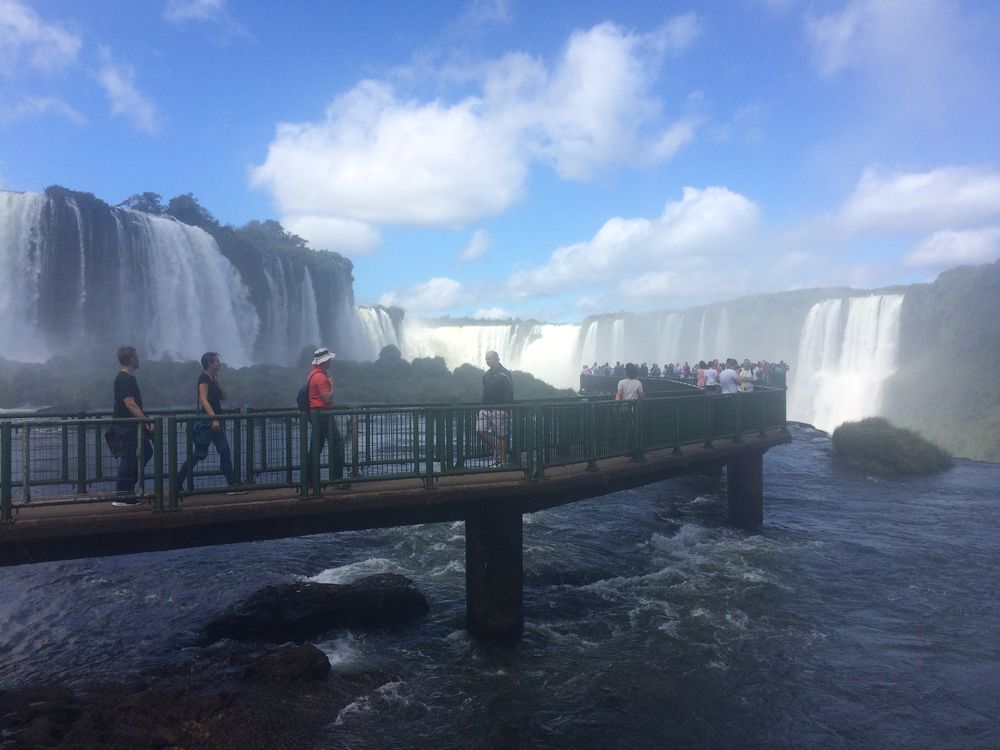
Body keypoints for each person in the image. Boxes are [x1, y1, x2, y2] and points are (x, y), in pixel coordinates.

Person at [177, 352, 242, 493]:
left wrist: (218, 381)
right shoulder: (203, 378)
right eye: (216, 361)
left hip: (216, 420)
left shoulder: (212, 378)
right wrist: (213, 418)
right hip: (208, 421)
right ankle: (177, 482)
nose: (219, 363)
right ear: (209, 364)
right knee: (199, 454)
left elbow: (224, 396)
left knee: (224, 451)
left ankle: (232, 484)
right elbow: (203, 399)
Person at [112, 345, 153, 506]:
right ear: (130, 360)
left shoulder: (128, 378)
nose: (139, 359)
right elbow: (130, 404)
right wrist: (146, 420)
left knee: (145, 452)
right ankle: (122, 496)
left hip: (131, 425)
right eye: (136, 357)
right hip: (126, 426)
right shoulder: (124, 378)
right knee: (128, 458)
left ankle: (128, 489)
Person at [303, 347, 346, 489]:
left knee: (316, 447)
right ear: (324, 361)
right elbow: (327, 398)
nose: (330, 361)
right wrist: (332, 385)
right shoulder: (321, 377)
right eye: (328, 359)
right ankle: (337, 479)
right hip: (323, 414)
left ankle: (308, 480)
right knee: (337, 443)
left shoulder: (312, 374)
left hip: (315, 414)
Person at [478, 350, 514, 466]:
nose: (488, 361)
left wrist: (505, 408)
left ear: (497, 359)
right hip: (486, 408)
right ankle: (495, 450)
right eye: (486, 359)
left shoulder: (505, 373)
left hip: (499, 408)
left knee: (501, 435)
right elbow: (485, 392)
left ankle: (502, 461)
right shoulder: (486, 375)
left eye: (490, 359)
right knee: (481, 430)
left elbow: (509, 392)